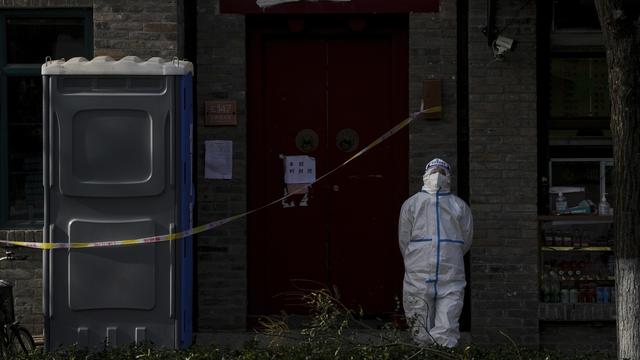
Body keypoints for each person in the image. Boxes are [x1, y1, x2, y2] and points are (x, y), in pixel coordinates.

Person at [398, 158, 473, 348]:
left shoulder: (459, 206)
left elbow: (466, 238)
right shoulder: (412, 204)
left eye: (442, 171)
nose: (437, 176)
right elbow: (404, 239)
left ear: (449, 177)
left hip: (450, 273)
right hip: (419, 273)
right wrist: (416, 259)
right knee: (418, 320)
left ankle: (443, 353)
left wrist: (450, 254)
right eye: (433, 171)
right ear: (425, 175)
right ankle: (423, 352)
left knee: (448, 321)